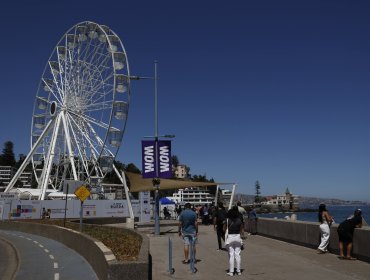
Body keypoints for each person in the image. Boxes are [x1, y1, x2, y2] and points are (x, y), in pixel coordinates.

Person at [224, 206, 243, 276]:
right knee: (237, 255)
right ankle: (239, 271)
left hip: (230, 237)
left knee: (231, 255)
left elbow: (224, 229)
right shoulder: (239, 220)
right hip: (237, 237)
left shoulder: (227, 220)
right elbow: (241, 229)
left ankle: (231, 272)